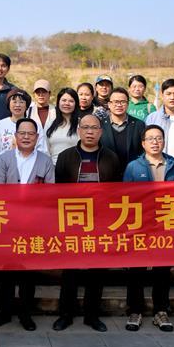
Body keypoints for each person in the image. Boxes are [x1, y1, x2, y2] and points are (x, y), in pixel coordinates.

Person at [52, 113, 121, 332]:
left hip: (101, 222)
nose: (90, 132)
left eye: (94, 128)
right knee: (70, 270)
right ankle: (65, 314)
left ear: (101, 132)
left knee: (97, 271)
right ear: (78, 131)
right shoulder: (66, 157)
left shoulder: (111, 158)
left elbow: (117, 192)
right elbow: (57, 192)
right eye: (85, 127)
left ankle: (92, 316)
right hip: (73, 222)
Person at [0, 118, 54, 331]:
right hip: (8, 223)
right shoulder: (4, 159)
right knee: (6, 271)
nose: (26, 137)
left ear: (37, 137)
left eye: (30, 133)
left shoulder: (45, 161)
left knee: (29, 271)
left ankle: (26, 314)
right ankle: (4, 312)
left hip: (33, 225)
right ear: (16, 136)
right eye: (22, 133)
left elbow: (50, 193)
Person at [123, 125, 174, 333]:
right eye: (150, 139)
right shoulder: (133, 167)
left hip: (164, 224)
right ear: (143, 143)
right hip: (140, 225)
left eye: (158, 138)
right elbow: (125, 197)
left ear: (163, 141)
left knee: (162, 270)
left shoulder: (173, 165)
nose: (155, 142)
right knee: (136, 269)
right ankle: (135, 310)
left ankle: (161, 311)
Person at [0, 89, 47, 160]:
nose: (17, 105)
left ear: (26, 106)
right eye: (14, 102)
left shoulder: (35, 126)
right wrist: (5, 160)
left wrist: (27, 160)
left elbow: (42, 149)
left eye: (21, 102)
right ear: (9, 104)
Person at [99, 87, 145, 173]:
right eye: (116, 102)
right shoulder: (100, 125)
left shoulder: (139, 125)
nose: (119, 105)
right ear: (109, 104)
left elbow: (144, 151)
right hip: (107, 174)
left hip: (132, 174)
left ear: (128, 104)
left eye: (123, 102)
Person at [45, 88, 80, 163]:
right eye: (64, 100)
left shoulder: (81, 124)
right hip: (53, 166)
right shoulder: (50, 124)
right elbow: (46, 150)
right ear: (58, 102)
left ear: (76, 104)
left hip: (74, 166)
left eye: (71, 101)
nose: (67, 103)